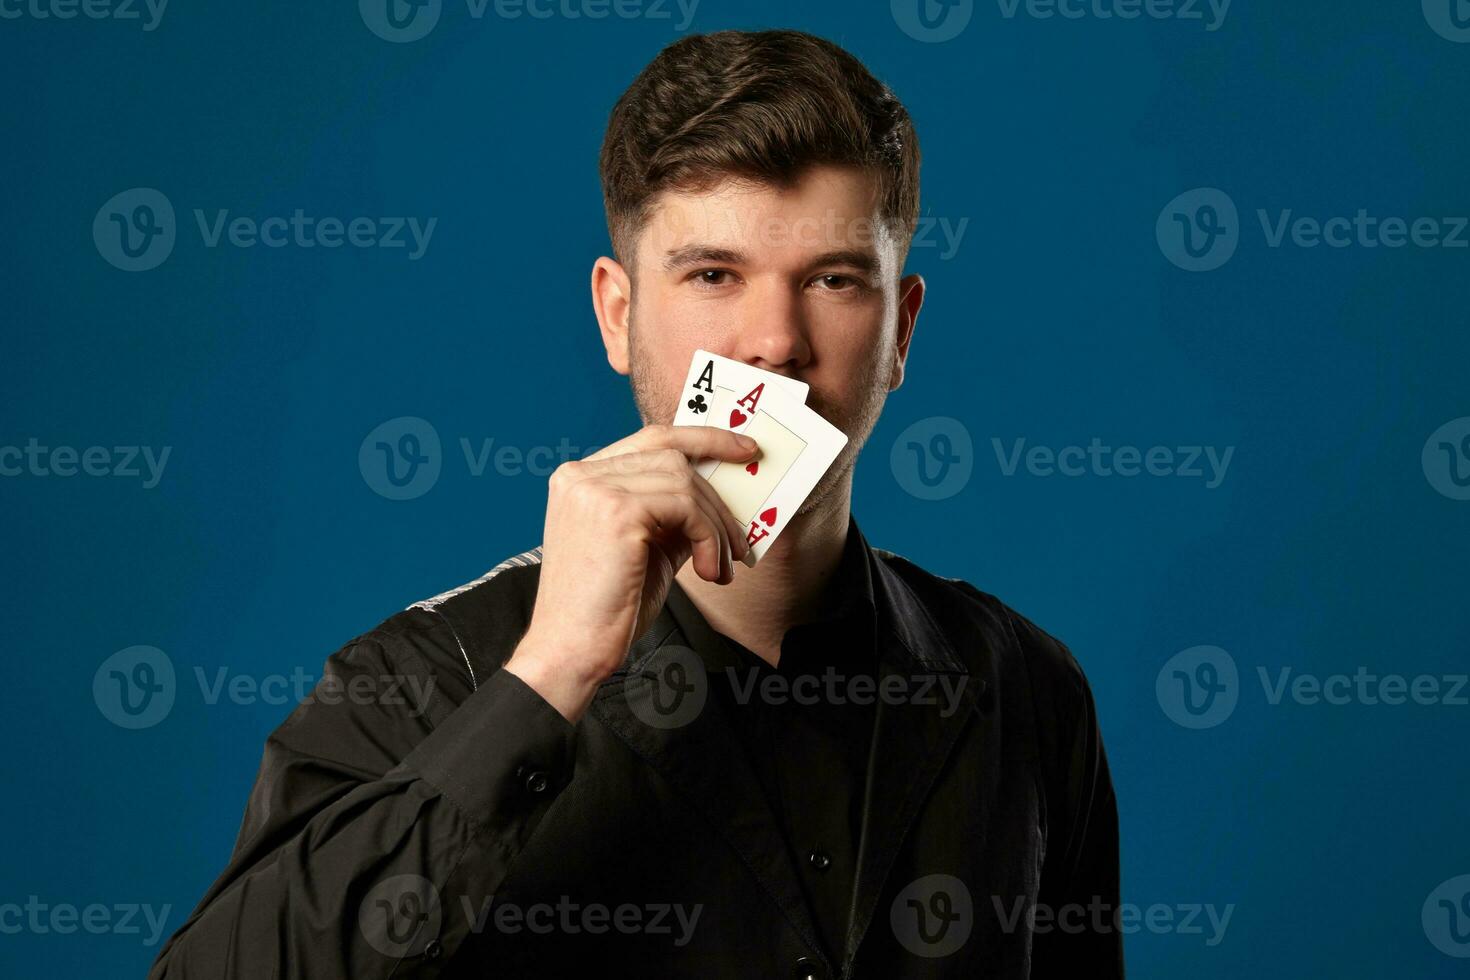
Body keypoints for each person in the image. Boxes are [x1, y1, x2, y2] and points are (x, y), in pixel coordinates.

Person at [149, 28, 1122, 979]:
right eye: (713, 274)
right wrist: (548, 674)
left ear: (901, 330)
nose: (774, 340)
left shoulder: (1027, 691)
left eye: (832, 278)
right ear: (618, 314)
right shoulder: (419, 679)